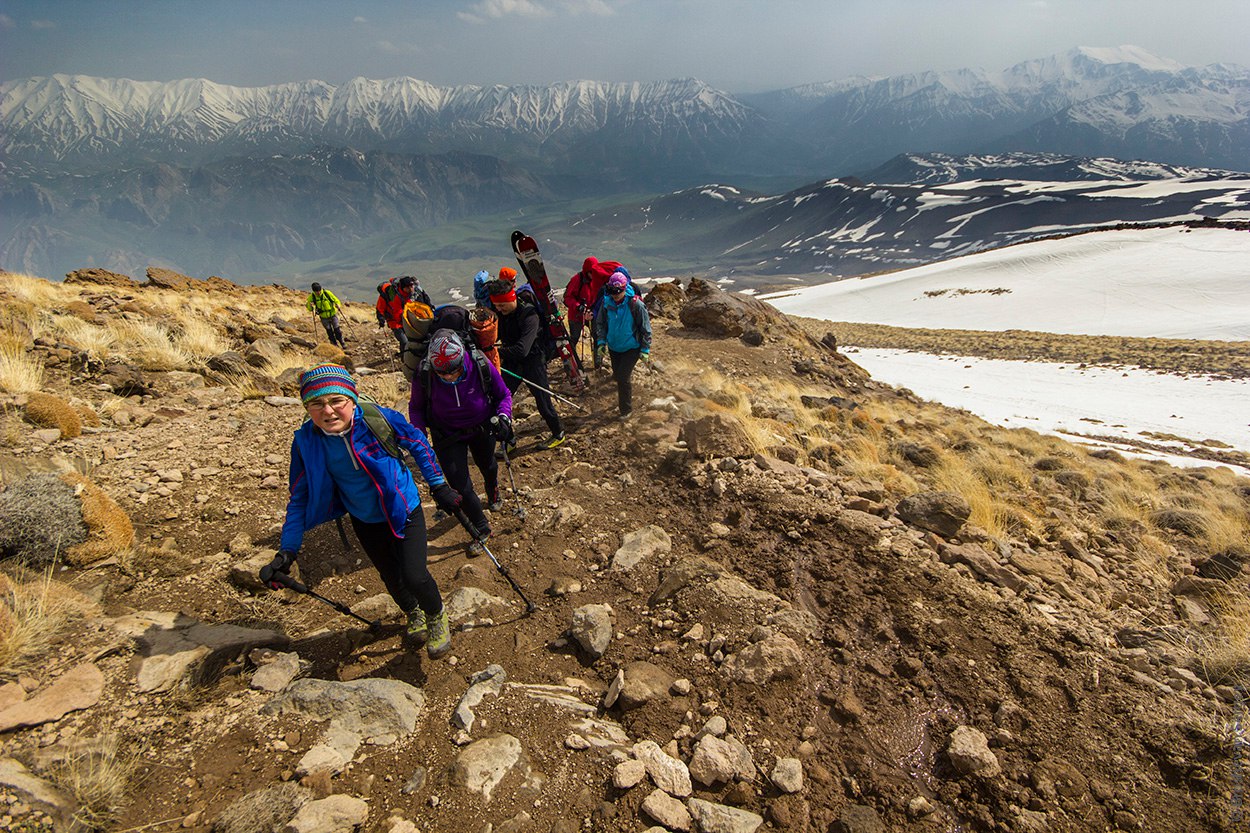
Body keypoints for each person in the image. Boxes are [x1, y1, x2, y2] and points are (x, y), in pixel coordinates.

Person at [261, 363, 464, 660]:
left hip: (404, 509)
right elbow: (299, 498)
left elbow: (418, 442)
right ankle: (413, 612)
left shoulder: (377, 420)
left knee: (415, 575)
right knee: (391, 577)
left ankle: (436, 615)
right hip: (365, 519)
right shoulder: (306, 442)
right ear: (306, 407)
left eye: (336, 401)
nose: (328, 412)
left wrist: (437, 484)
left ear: (351, 400)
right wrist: (287, 551)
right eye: (316, 404)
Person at [409, 331, 513, 551]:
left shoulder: (478, 363)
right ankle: (481, 527)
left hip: (481, 428)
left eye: (454, 371)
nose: (449, 377)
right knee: (460, 485)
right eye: (443, 373)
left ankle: (492, 488)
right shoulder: (424, 373)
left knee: (488, 465)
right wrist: (419, 435)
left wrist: (504, 418)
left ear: (462, 359)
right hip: (446, 435)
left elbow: (503, 394)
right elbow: (416, 407)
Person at [488, 279, 565, 449]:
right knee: (500, 399)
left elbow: (522, 349)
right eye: (497, 305)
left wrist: (494, 352)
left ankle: (558, 433)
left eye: (502, 305)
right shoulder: (500, 314)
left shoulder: (530, 315)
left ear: (511, 297)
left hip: (533, 360)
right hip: (511, 361)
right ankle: (509, 440)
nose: (499, 309)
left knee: (543, 400)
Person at [594, 271, 652, 420]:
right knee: (618, 375)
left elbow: (645, 328)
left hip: (632, 347)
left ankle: (626, 410)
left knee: (622, 377)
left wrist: (645, 349)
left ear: (625, 288)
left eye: (618, 292)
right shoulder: (606, 303)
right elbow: (600, 323)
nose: (615, 295)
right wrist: (601, 342)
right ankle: (624, 399)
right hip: (614, 347)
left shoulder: (635, 304)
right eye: (612, 291)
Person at [565, 257, 624, 369]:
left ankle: (598, 363)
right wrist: (579, 307)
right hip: (577, 315)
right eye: (592, 272)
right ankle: (570, 364)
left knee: (598, 336)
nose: (594, 274)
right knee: (574, 338)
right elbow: (568, 298)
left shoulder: (598, 280)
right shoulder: (577, 280)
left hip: (592, 313)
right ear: (587, 271)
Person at [376, 276, 430, 354]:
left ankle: (405, 355)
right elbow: (380, 308)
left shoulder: (413, 294)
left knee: (410, 340)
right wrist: (381, 319)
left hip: (407, 320)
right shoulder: (391, 295)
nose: (411, 289)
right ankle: (404, 356)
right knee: (404, 341)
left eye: (411, 286)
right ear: (402, 288)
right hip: (394, 322)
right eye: (408, 287)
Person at [306, 282, 346, 348]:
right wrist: (310, 305)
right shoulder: (311, 297)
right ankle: (334, 345)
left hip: (332, 314)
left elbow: (336, 300)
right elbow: (310, 309)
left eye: (319, 291)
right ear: (313, 291)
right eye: (316, 292)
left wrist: (338, 305)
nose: (318, 293)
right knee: (329, 332)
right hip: (323, 317)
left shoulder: (327, 293)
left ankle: (342, 342)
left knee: (337, 330)